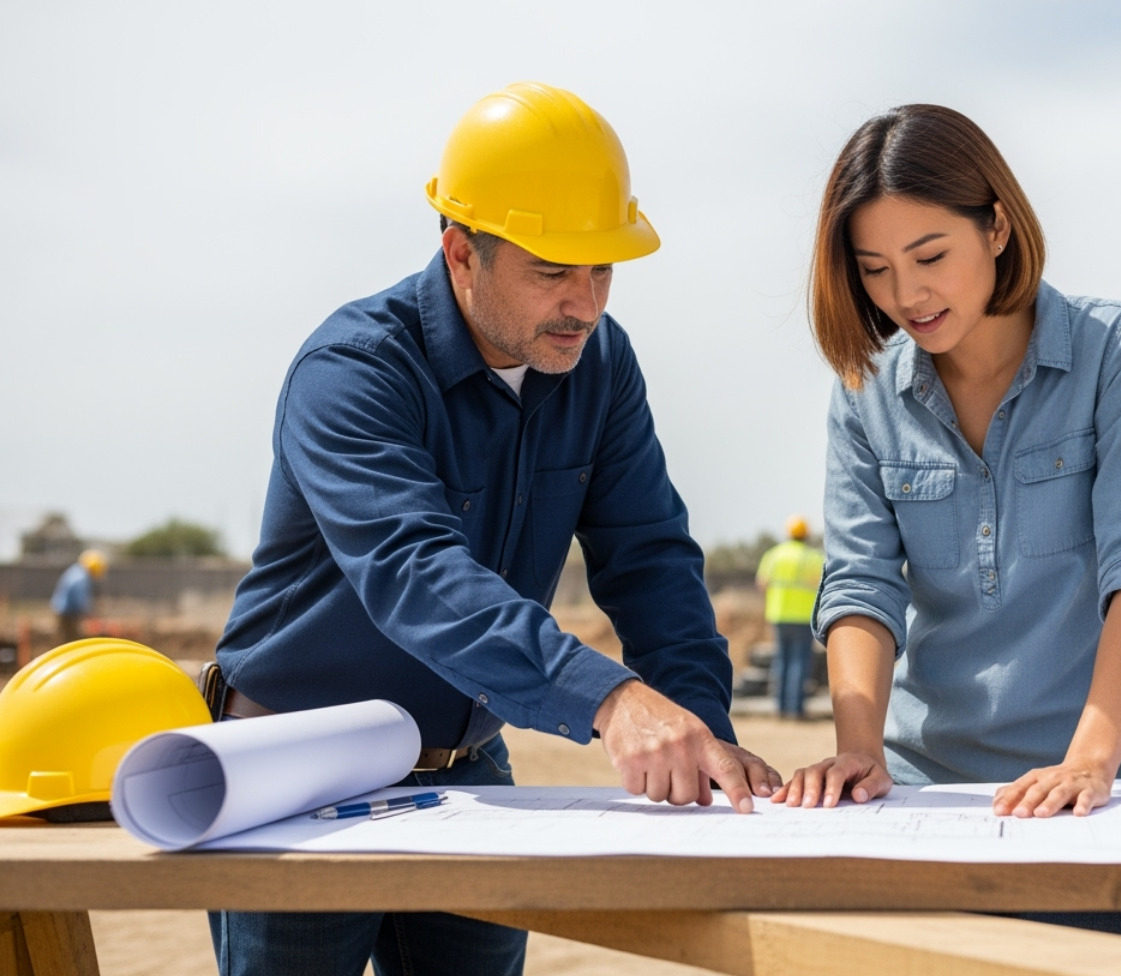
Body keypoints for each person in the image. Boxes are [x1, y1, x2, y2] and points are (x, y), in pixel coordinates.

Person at [211, 82, 778, 976]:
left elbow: (650, 557)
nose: (584, 303)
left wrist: (695, 728)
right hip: (297, 770)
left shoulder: (599, 362)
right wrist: (609, 698)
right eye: (553, 270)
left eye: (602, 269)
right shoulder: (352, 371)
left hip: (466, 767)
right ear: (461, 252)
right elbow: (415, 573)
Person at [774, 103, 1121, 941]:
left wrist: (1091, 759)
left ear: (996, 226)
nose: (906, 295)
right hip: (932, 791)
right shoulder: (863, 390)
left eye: (931, 256)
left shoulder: (1119, 350)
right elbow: (860, 580)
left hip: (1105, 789)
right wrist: (861, 750)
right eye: (876, 269)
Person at [755, 515, 825, 718]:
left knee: (781, 661)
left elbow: (762, 583)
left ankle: (780, 706)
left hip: (778, 614)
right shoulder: (813, 557)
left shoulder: (774, 555)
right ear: (806, 535)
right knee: (799, 663)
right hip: (803, 617)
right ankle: (796, 709)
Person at [50, 550, 106, 642]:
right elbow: (81, 602)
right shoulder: (82, 578)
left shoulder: (75, 570)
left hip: (61, 610)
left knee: (65, 638)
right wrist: (91, 613)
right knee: (71, 641)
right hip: (67, 614)